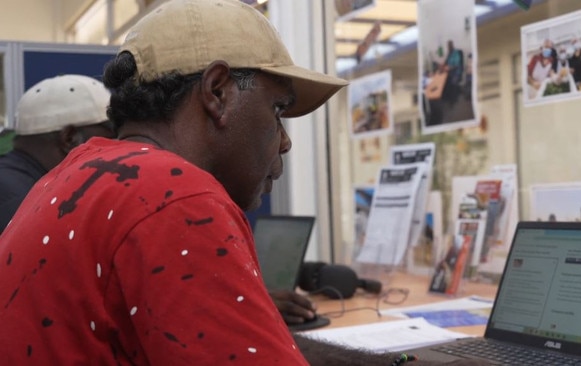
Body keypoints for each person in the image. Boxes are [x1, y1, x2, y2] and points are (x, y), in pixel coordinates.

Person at [0, 1, 479, 365]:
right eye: (277, 110)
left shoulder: (72, 176)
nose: (286, 142)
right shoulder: (174, 196)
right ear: (218, 92)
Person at [0, 74, 116, 232]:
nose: (116, 152)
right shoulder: (25, 203)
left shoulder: (19, 183)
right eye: (109, 139)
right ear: (70, 139)